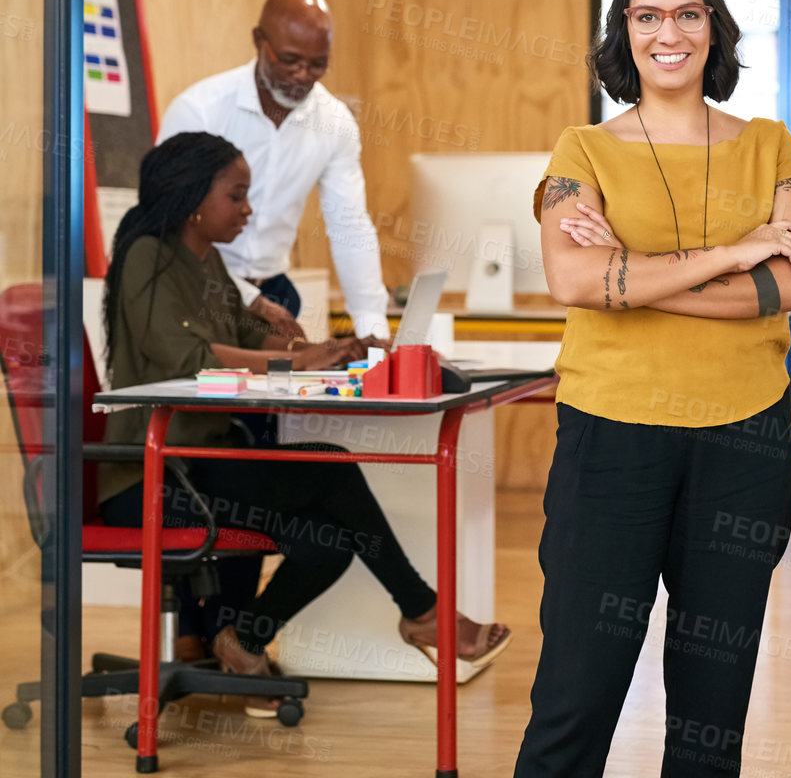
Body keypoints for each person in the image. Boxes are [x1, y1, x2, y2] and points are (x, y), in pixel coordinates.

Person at [471, 0, 791, 778]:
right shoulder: (580, 149)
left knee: (709, 704)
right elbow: (574, 280)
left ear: (714, 28)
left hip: (742, 448)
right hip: (611, 444)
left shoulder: (770, 143)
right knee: (575, 690)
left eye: (685, 12)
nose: (665, 32)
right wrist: (733, 255)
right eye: (643, 15)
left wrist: (644, 279)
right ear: (620, 36)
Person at [98, 132, 510, 700]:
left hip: (201, 463)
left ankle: (242, 639)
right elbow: (186, 358)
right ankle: (423, 611)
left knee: (327, 543)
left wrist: (327, 350)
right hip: (152, 475)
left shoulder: (206, 260)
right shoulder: (148, 256)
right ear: (193, 197)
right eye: (236, 196)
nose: (248, 210)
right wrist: (294, 358)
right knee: (332, 468)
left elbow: (247, 337)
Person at [157, 0, 389, 342]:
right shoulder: (200, 111)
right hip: (196, 289)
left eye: (318, 64)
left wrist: (373, 333)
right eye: (290, 59)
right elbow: (165, 227)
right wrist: (250, 301)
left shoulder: (335, 122)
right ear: (258, 41)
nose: (302, 75)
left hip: (275, 293)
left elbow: (350, 228)